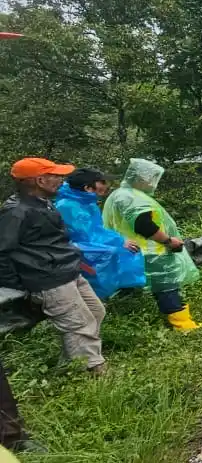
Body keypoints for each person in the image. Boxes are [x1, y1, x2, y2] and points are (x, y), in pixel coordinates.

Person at [0, 158, 107, 374]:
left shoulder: (43, 202)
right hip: (49, 278)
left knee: (96, 311)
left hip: (67, 270)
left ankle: (70, 365)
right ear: (40, 180)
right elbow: (3, 251)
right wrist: (19, 284)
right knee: (79, 325)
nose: (61, 180)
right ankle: (92, 372)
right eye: (56, 176)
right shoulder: (17, 212)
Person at [104, 159, 202, 331]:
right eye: (150, 178)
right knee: (166, 286)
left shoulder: (120, 194)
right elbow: (142, 224)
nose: (152, 183)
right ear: (139, 178)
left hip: (132, 251)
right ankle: (182, 325)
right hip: (149, 251)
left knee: (133, 289)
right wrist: (167, 240)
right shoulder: (130, 197)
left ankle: (129, 326)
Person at [54, 169, 146, 300]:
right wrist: (118, 242)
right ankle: (101, 293)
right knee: (111, 252)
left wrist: (120, 240)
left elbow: (97, 229)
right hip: (74, 245)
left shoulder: (86, 202)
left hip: (89, 240)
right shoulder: (68, 205)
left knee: (131, 248)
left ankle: (124, 289)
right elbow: (85, 235)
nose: (105, 185)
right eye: (101, 182)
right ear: (88, 188)